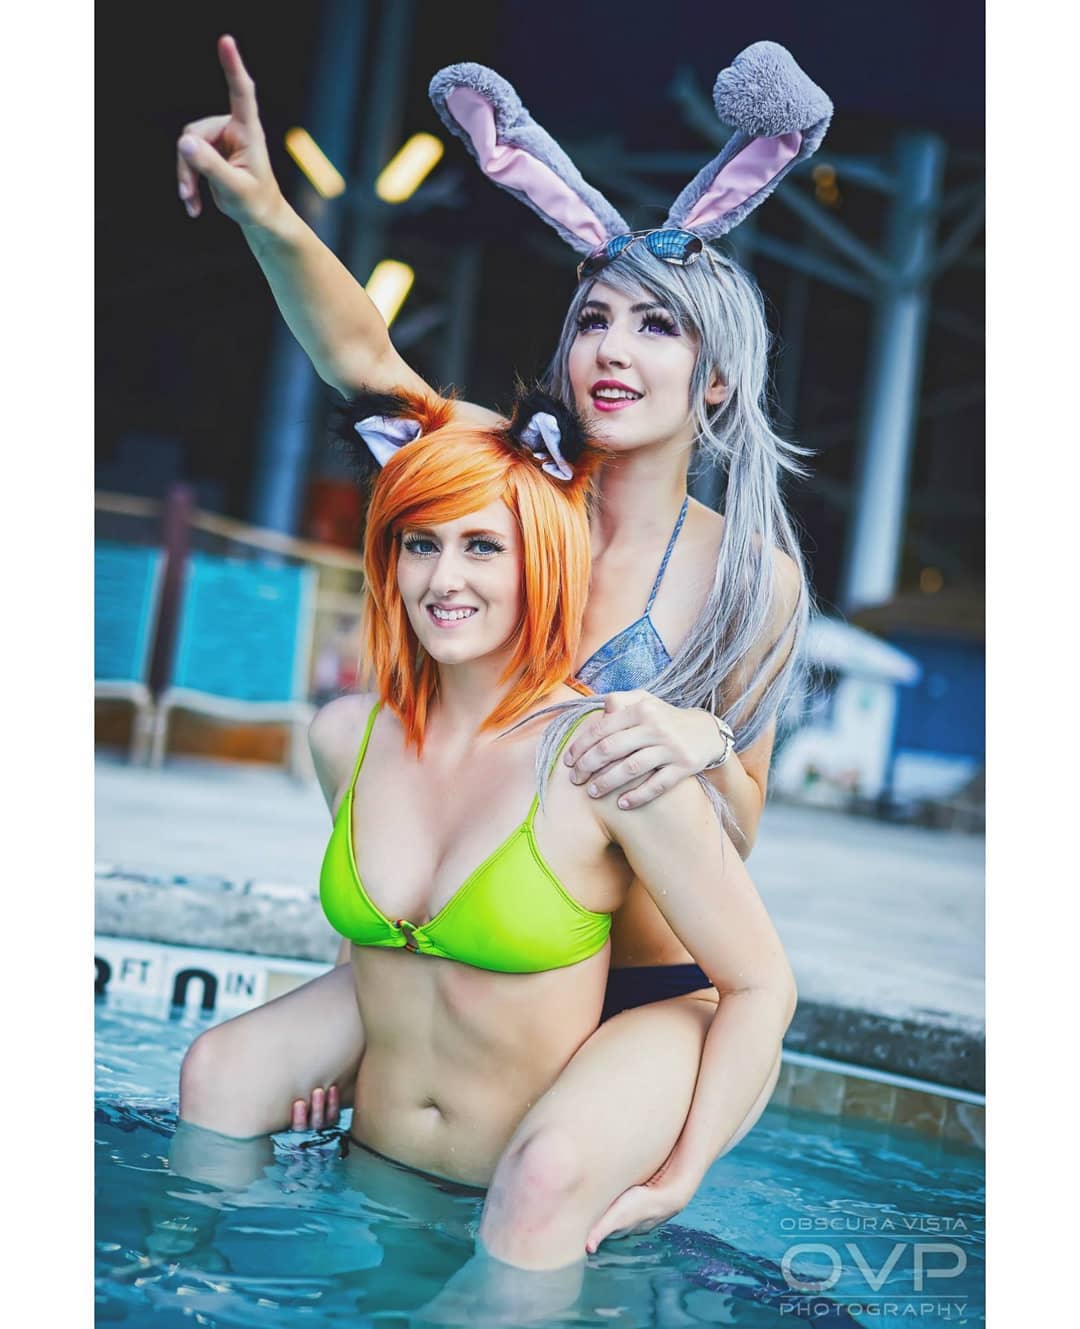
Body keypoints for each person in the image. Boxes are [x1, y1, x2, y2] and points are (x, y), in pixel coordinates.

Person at [174, 35, 831, 1258]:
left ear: (718, 379)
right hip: (473, 953)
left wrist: (701, 735)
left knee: (539, 1192)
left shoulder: (750, 576)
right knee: (226, 1075)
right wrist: (265, 208)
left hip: (641, 981)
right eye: (595, 320)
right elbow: (363, 360)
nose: (612, 352)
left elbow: (737, 830)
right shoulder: (510, 486)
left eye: (657, 328)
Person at [177, 387, 796, 1287]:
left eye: (482, 546)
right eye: (420, 543)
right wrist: (333, 1060)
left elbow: (762, 982)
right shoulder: (345, 735)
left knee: (540, 1179)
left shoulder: (602, 754)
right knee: (219, 1070)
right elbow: (379, 945)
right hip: (375, 1159)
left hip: (525, 1182)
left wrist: (681, 1171)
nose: (444, 580)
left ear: (539, 558)